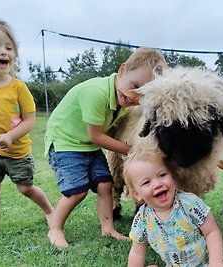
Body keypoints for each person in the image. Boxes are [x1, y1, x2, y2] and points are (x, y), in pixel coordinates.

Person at [45, 47, 167, 248]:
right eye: (134, 85)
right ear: (122, 69)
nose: (134, 96)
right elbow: (97, 135)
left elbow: (106, 130)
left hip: (87, 144)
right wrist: (131, 150)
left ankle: (108, 229)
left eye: (142, 94)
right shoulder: (96, 93)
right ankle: (55, 228)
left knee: (105, 185)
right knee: (77, 191)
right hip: (64, 143)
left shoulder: (121, 101)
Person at [0, 19, 54, 243]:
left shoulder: (18, 87)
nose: (3, 51)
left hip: (17, 152)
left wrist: (10, 136)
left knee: (25, 188)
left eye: (9, 47)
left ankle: (49, 212)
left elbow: (29, 120)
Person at [123, 148, 223, 267]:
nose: (158, 184)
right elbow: (137, 253)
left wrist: (216, 262)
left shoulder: (189, 203)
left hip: (206, 263)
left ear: (173, 176)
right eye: (146, 182)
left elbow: (211, 232)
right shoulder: (142, 219)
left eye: (162, 175)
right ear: (136, 194)